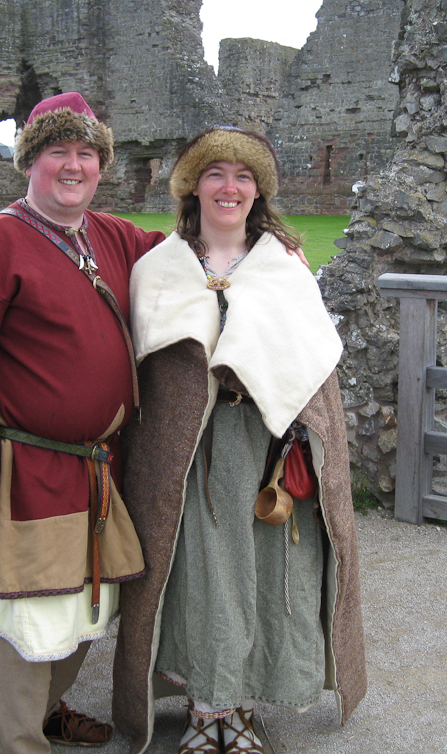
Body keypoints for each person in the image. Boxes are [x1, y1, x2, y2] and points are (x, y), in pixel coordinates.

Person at [0, 92, 164, 754]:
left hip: (96, 469)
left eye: (87, 153)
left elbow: (187, 257)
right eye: (58, 151)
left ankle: (50, 714)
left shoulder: (110, 234)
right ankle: (20, 742)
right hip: (25, 470)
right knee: (29, 620)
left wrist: (261, 243)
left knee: (89, 606)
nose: (74, 165)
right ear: (30, 161)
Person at [111, 127, 367, 754]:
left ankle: (244, 707)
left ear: (258, 192)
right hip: (188, 455)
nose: (230, 187)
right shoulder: (159, 268)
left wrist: (307, 442)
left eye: (244, 176)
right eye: (215, 173)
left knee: (268, 572)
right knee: (198, 574)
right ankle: (206, 708)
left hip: (268, 449)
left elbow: (312, 363)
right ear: (192, 186)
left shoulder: (284, 266)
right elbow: (144, 372)